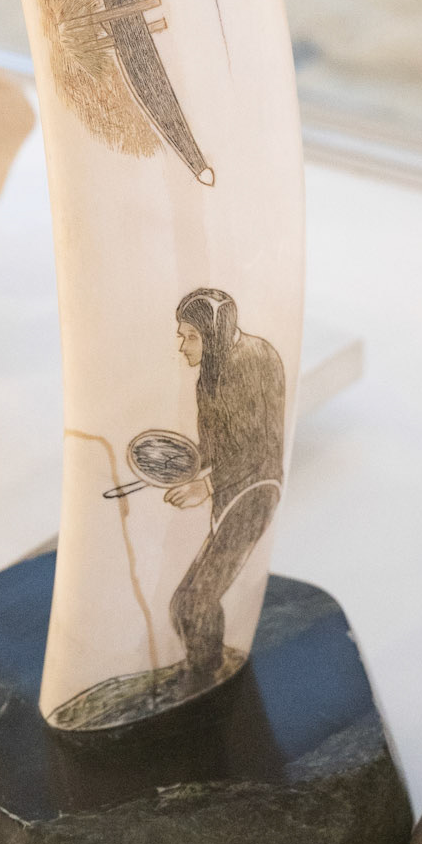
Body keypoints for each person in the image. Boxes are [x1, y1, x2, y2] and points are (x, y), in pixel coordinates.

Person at [165, 287, 285, 684]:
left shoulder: (252, 358)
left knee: (197, 601)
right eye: (182, 335)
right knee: (184, 602)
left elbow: (255, 447)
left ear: (214, 333)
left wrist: (207, 486)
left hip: (255, 491)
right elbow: (215, 446)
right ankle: (201, 672)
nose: (183, 345)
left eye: (191, 336)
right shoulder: (210, 373)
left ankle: (204, 678)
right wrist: (180, 464)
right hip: (233, 491)